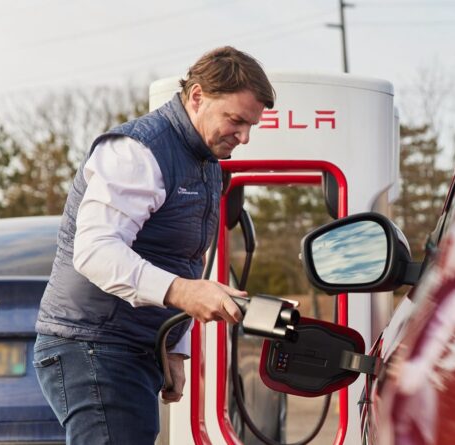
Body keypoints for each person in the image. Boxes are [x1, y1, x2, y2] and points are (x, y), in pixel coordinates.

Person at [32, 46, 275, 444]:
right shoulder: (137, 151)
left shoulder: (205, 165)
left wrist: (175, 350)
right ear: (197, 96)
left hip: (130, 349)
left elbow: (183, 261)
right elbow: (95, 250)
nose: (244, 136)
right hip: (94, 346)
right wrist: (182, 292)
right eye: (236, 120)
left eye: (252, 126)